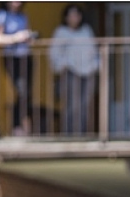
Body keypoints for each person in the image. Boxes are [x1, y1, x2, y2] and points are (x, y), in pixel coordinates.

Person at [49, 4, 99, 135]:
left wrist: (96, 64)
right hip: (70, 72)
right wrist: (63, 65)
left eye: (77, 15)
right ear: (66, 17)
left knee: (85, 106)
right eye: (71, 15)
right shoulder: (61, 32)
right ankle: (68, 134)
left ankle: (82, 134)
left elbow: (93, 50)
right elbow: (54, 53)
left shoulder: (86, 30)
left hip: (88, 72)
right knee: (73, 106)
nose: (74, 18)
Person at [0, 1, 36, 136]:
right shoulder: (2, 15)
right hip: (12, 58)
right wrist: (15, 38)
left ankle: (23, 127)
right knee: (22, 91)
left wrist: (30, 37)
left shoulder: (24, 16)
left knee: (27, 93)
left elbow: (30, 38)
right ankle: (17, 126)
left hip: (26, 57)